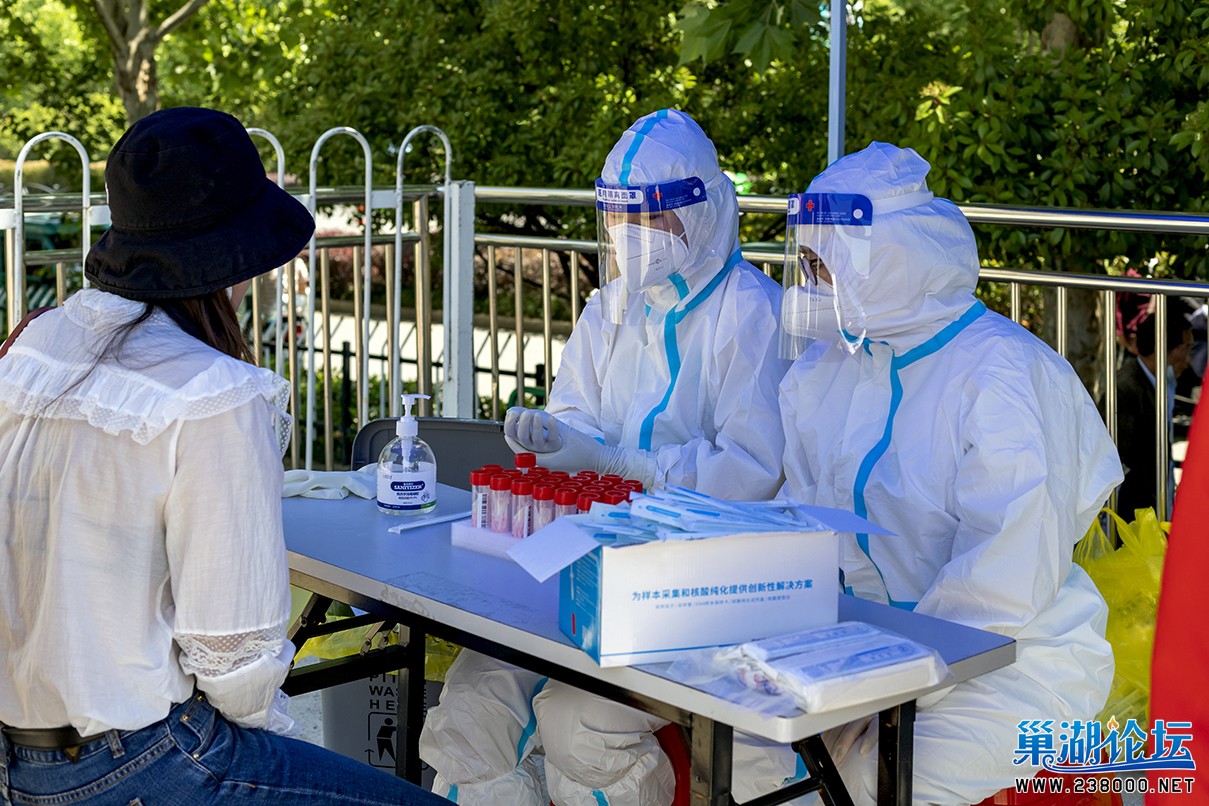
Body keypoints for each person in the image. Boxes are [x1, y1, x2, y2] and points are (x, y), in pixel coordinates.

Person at [0, 107, 443, 806]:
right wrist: (276, 743)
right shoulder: (214, 393)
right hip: (137, 761)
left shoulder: (35, 345)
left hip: (18, 758)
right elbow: (235, 658)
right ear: (234, 258)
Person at [418, 108, 789, 804]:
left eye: (650, 216)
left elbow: (751, 471)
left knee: (579, 730)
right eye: (620, 217)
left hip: (696, 581)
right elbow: (577, 414)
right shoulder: (612, 306)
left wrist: (629, 466)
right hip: (583, 563)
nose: (630, 235)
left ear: (703, 211)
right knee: (471, 707)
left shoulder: (753, 314)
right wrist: (554, 439)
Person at [770, 142, 1123, 804]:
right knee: (757, 754)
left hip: (1011, 669)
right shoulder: (827, 368)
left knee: (872, 782)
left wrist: (878, 684)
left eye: (826, 265)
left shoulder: (1002, 375)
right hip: (865, 653)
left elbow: (1001, 585)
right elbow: (801, 521)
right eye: (809, 265)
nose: (812, 285)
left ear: (890, 262)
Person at [1112, 295, 1194, 519]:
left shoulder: (1162, 381)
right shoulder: (1125, 390)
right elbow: (1116, 464)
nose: (1188, 359)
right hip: (1133, 517)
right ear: (1162, 349)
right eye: (1186, 348)